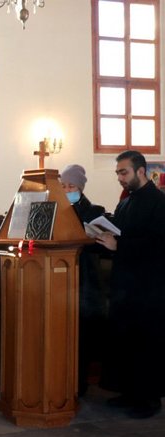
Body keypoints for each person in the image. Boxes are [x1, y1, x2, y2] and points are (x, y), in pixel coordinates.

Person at [96, 150, 165, 419]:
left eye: (123, 172)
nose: (120, 178)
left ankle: (149, 399)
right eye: (117, 173)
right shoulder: (127, 202)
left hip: (150, 287)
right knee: (125, 340)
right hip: (125, 284)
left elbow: (158, 244)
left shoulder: (159, 203)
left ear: (140, 171)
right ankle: (128, 392)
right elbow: (120, 232)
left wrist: (119, 244)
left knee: (146, 343)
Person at [59, 164, 107, 396]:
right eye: (64, 186)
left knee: (83, 337)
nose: (67, 189)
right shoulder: (55, 209)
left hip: (86, 281)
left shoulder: (94, 211)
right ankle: (63, 382)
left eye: (72, 186)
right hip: (60, 282)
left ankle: (80, 386)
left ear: (81, 187)